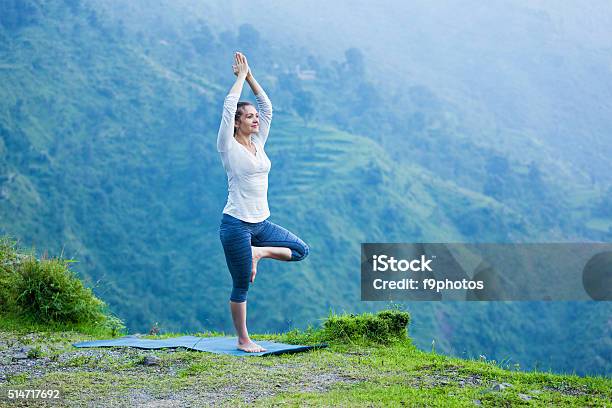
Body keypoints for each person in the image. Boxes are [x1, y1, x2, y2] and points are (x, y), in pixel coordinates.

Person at [217, 52, 310, 352]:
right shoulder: (227, 147)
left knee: (300, 250)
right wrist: (240, 79)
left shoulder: (259, 143)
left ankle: (259, 253)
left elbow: (267, 107)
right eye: (249, 116)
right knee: (241, 284)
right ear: (235, 123)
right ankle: (243, 339)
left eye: (254, 117)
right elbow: (228, 106)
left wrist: (252, 76)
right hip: (236, 226)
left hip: (261, 225)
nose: (255, 118)